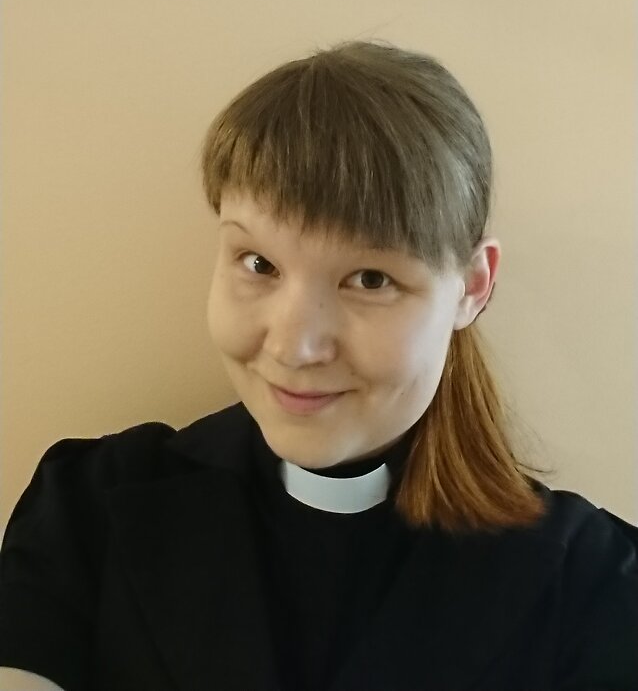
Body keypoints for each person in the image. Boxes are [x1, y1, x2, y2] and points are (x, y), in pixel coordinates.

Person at [0, 39, 636, 691]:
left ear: (473, 287)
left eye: (370, 279)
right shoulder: (86, 512)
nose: (294, 347)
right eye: (259, 264)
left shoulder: (594, 585)